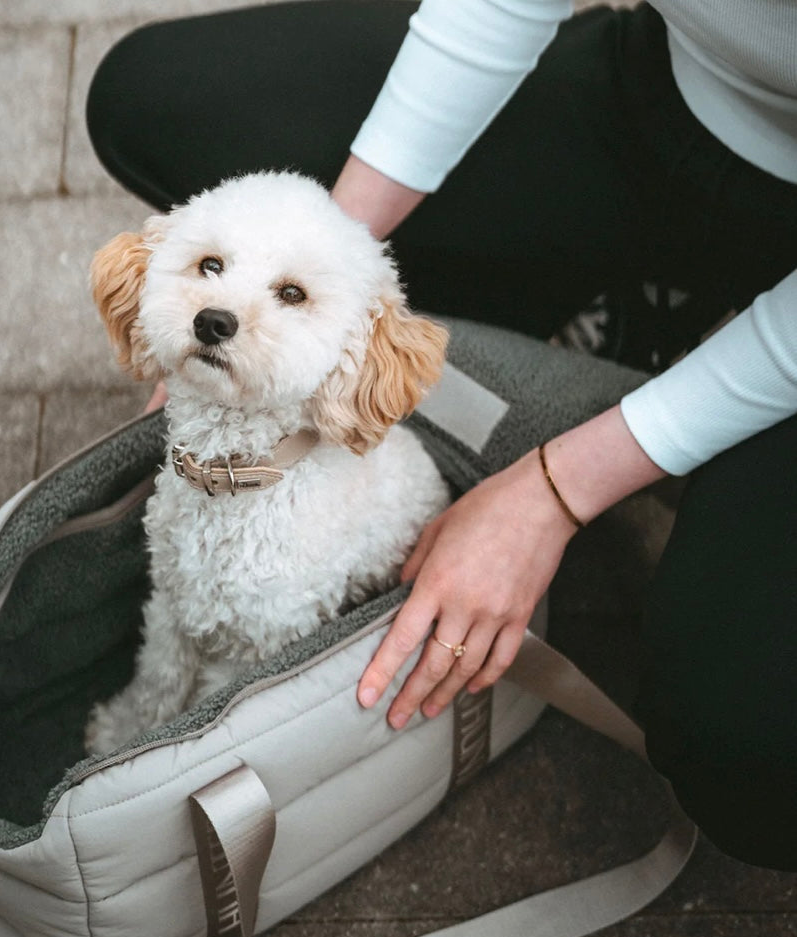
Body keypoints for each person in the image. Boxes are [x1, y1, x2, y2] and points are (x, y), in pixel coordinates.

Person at [85, 0, 797, 870]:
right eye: (211, 270)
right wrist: (328, 252)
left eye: (291, 296)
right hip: (670, 93)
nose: (222, 307)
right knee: (148, 95)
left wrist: (555, 490)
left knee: (750, 754)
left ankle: (615, 358)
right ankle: (619, 312)